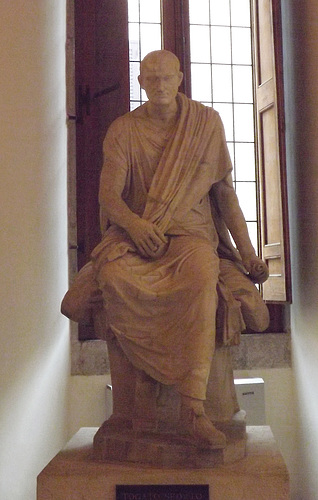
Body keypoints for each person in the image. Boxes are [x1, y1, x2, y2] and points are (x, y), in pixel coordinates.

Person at [64, 50, 269, 450]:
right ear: (140, 82)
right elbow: (109, 195)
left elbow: (225, 194)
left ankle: (194, 411)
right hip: (136, 238)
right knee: (113, 276)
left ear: (180, 79)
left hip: (191, 239)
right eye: (151, 79)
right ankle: (137, 408)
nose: (159, 86)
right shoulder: (124, 130)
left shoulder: (205, 124)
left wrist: (246, 254)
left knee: (200, 281)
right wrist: (136, 225)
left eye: (166, 79)